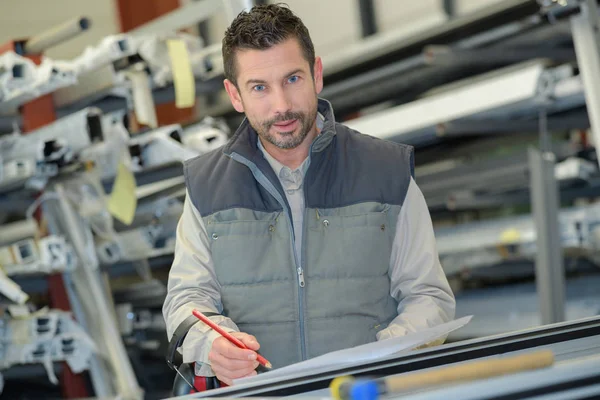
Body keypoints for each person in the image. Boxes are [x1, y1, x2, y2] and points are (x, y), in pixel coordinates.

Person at [163, 3, 456, 386]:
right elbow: (186, 299)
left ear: (316, 74)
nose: (281, 105)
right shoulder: (207, 186)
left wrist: (386, 354)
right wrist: (212, 345)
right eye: (259, 88)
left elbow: (429, 296)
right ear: (235, 95)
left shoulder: (386, 171)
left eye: (293, 79)